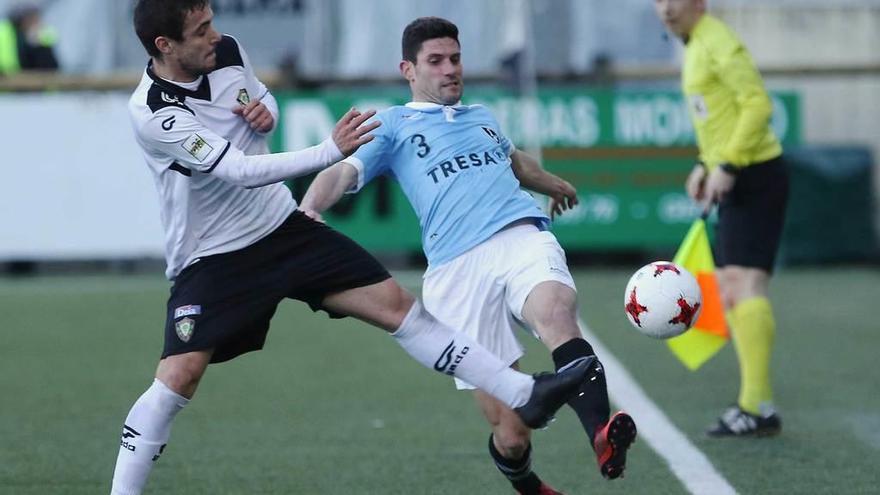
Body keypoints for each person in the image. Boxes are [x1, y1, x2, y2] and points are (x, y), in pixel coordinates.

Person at [111, 2, 593, 494]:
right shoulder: (153, 113)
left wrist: (264, 113)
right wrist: (329, 150)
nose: (215, 35)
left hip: (280, 225)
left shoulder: (227, 50)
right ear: (165, 46)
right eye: (200, 30)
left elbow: (264, 103)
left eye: (211, 21)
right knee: (179, 378)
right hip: (213, 254)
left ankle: (524, 393)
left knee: (398, 307)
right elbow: (237, 170)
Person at [300, 17, 637, 495]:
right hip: (456, 271)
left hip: (521, 236)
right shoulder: (394, 124)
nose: (450, 69)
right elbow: (341, 173)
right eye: (435, 61)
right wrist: (309, 207)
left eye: (455, 59)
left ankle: (602, 436)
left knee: (556, 312)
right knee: (513, 431)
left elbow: (516, 163)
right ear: (409, 70)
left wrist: (552, 183)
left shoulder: (482, 116)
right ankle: (527, 483)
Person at [654, 0, 788, 437]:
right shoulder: (696, 43)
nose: (666, 9)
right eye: (658, 0)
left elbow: (756, 105)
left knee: (745, 286)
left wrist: (727, 165)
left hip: (755, 174)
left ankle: (757, 406)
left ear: (700, 3)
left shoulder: (718, 41)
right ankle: (756, 404)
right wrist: (705, 162)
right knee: (733, 290)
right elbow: (720, 115)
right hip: (739, 173)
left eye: (675, 0)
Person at [0, 3, 58, 75]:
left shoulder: (43, 35)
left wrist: (39, 46)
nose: (35, 21)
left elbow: (52, 69)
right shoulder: (4, 33)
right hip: (9, 84)